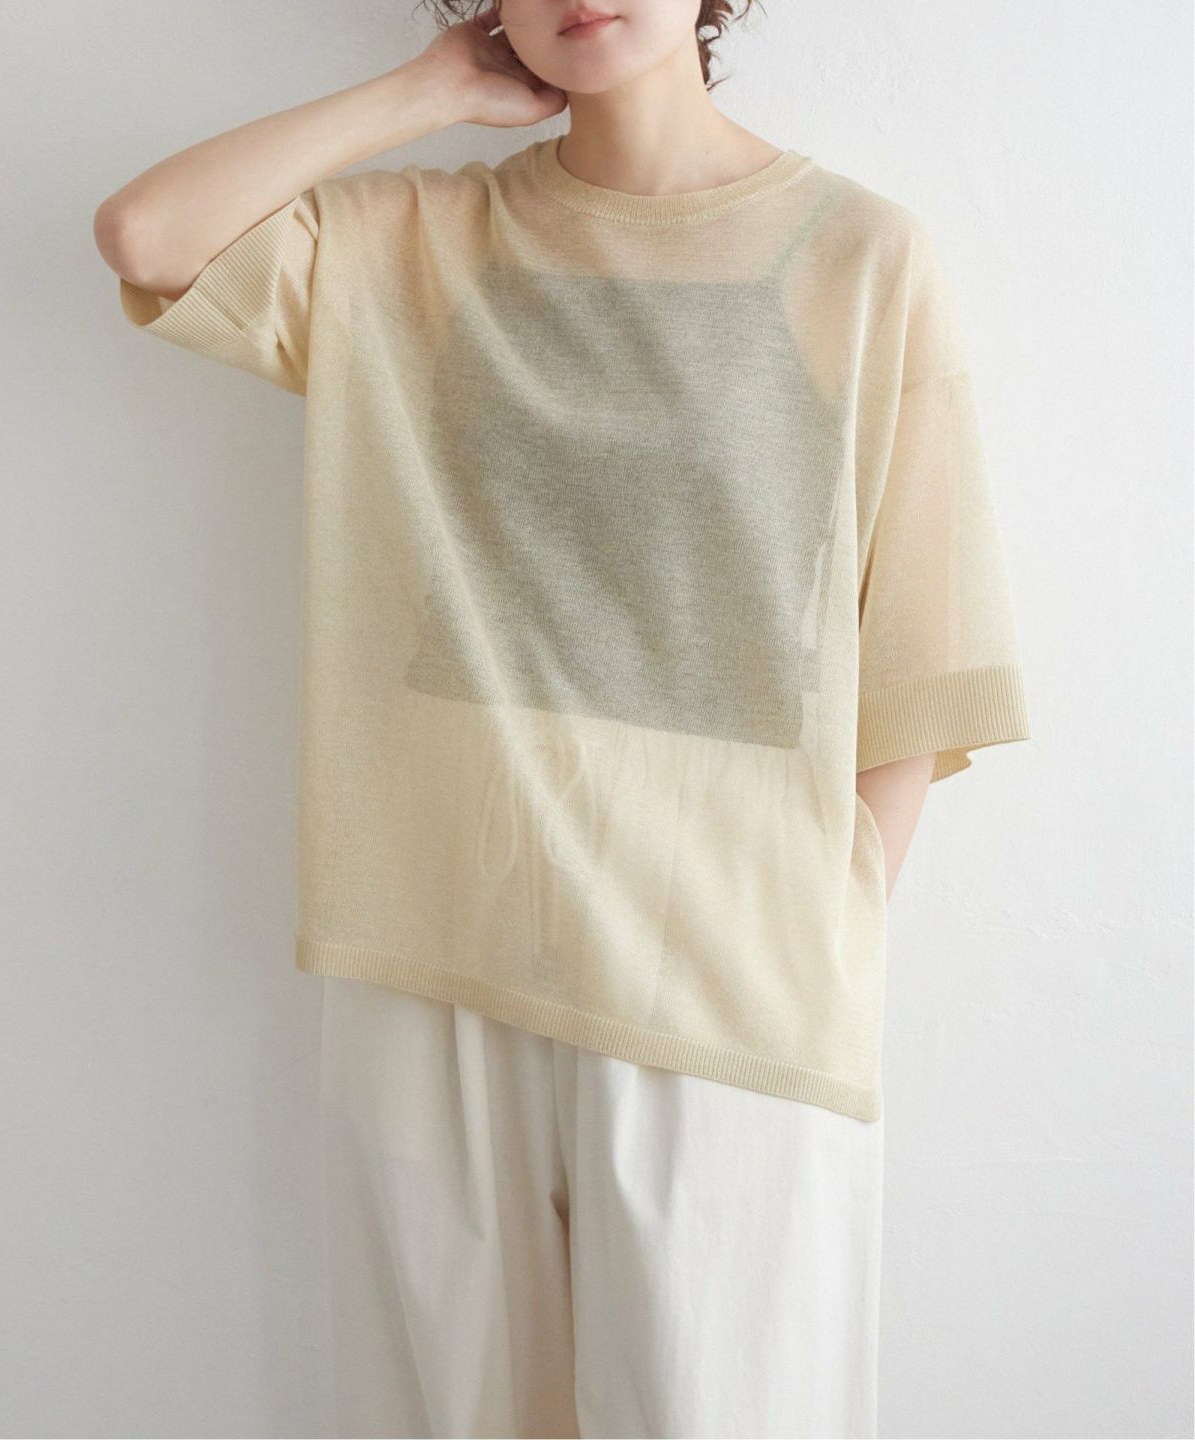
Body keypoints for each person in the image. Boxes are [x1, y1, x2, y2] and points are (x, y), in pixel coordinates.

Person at [94, 2, 1032, 1435]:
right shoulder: (420, 242)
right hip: (435, 959)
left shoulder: (858, 254)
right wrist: (426, 89)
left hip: (728, 981)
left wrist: (824, 925)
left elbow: (922, 646)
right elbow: (150, 236)